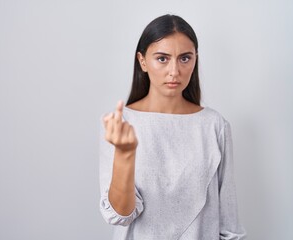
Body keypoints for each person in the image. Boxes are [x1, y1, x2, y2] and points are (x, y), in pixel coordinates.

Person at [99, 14, 246, 239]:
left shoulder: (214, 125)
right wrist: (125, 154)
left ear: (195, 59)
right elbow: (121, 214)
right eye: (162, 58)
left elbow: (229, 222)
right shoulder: (122, 126)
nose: (174, 71)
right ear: (143, 61)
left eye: (185, 58)